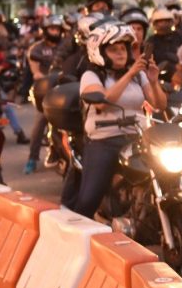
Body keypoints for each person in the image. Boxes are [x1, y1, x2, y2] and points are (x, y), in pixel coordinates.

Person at [63, 24, 166, 217]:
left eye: (123, 49)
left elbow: (159, 104)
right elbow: (103, 102)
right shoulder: (91, 76)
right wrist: (130, 74)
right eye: (113, 49)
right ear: (99, 52)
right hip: (104, 141)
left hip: (137, 138)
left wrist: (153, 80)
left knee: (165, 175)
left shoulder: (139, 76)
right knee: (88, 201)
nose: (120, 54)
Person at [23, 15, 64, 174]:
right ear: (45, 30)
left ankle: (60, 154)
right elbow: (35, 72)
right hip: (43, 91)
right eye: (52, 28)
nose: (55, 31)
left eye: (57, 29)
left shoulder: (65, 46)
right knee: (40, 122)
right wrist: (45, 77)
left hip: (63, 89)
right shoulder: (37, 49)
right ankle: (32, 159)